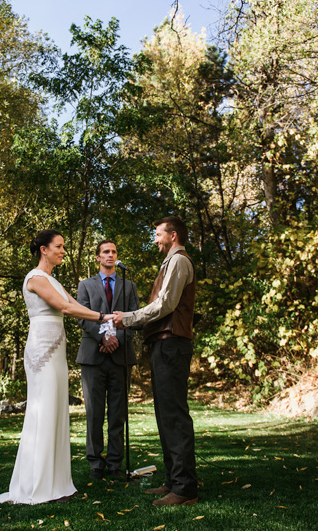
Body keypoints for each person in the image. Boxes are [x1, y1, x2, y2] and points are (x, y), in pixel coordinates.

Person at [0, 229, 114, 505]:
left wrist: (105, 319)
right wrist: (105, 317)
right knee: (43, 411)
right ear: (44, 249)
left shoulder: (53, 280)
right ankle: (38, 487)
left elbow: (73, 304)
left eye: (63, 246)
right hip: (41, 351)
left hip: (57, 350)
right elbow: (65, 308)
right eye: (58, 246)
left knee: (57, 412)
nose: (62, 250)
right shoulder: (35, 278)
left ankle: (58, 484)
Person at [113, 216, 198, 507]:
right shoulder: (169, 262)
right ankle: (175, 481)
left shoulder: (179, 262)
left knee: (174, 416)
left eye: (158, 234)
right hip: (164, 345)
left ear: (173, 235)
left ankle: (185, 489)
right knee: (165, 416)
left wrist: (128, 318)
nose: (155, 239)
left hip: (172, 345)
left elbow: (165, 305)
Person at [76, 240, 139, 480]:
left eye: (113, 251)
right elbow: (82, 316)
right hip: (93, 356)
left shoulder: (129, 285)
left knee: (118, 413)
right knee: (94, 412)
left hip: (121, 356)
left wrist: (117, 340)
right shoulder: (85, 285)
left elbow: (135, 317)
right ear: (97, 258)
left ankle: (114, 464)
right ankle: (95, 463)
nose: (110, 255)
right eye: (105, 252)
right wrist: (104, 338)